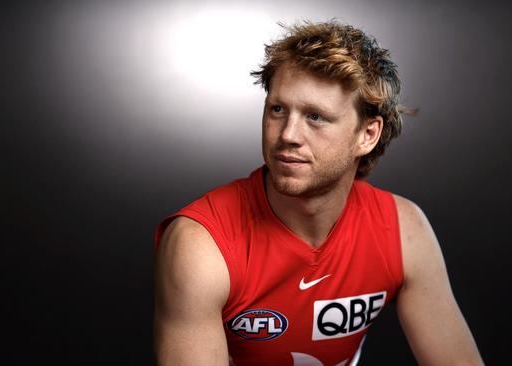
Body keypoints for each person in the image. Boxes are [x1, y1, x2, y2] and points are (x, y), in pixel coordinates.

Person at [153, 20, 483, 366]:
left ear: (367, 135)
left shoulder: (403, 231)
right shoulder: (202, 244)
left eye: (315, 117)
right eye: (278, 109)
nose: (288, 135)